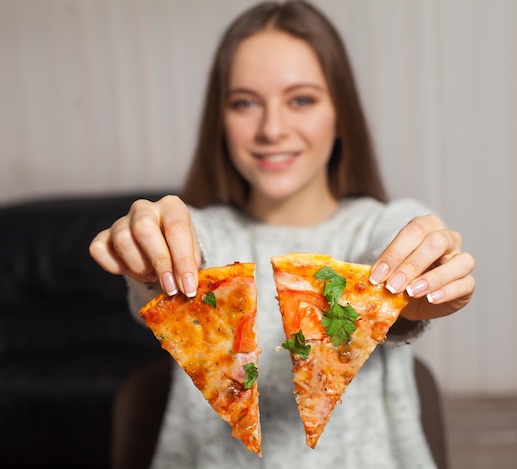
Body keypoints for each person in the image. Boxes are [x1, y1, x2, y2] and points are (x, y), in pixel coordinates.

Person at [89, 1, 475, 467]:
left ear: (341, 113)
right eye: (245, 102)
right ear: (221, 120)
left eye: (301, 99)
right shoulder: (199, 231)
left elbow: (397, 250)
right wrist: (152, 260)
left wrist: (414, 290)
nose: (272, 128)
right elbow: (171, 270)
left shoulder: (381, 225)